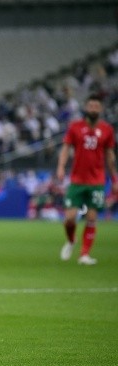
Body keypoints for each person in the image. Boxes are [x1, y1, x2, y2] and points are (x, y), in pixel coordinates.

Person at [57, 93, 118, 265]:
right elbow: (65, 148)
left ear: (101, 109)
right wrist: (61, 167)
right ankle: (71, 240)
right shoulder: (75, 127)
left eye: (96, 106)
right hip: (77, 180)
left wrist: (114, 179)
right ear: (86, 107)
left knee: (91, 218)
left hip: (97, 181)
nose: (93, 109)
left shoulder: (107, 130)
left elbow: (110, 156)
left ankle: (84, 254)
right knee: (69, 218)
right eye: (90, 106)